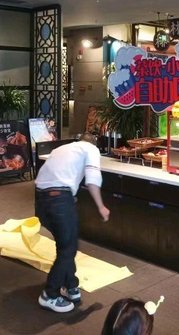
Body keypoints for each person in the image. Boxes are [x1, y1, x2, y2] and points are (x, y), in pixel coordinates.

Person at [34, 132, 110, 313]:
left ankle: (70, 284)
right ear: (94, 144)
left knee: (64, 245)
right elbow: (92, 179)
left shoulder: (62, 148)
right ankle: (50, 294)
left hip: (41, 198)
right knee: (68, 248)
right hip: (59, 198)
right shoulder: (91, 149)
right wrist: (101, 207)